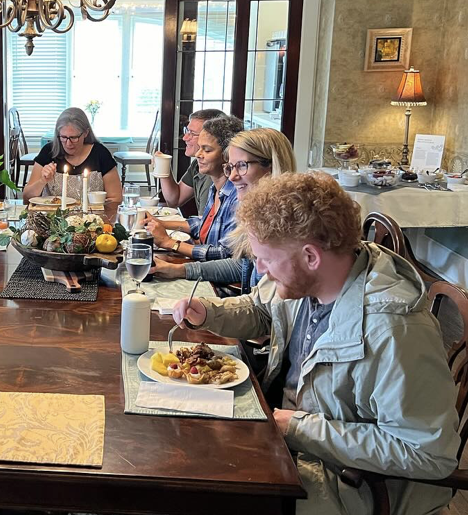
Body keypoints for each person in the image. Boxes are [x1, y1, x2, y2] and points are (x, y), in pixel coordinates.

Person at [168, 172, 459, 515]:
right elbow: (263, 311)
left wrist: (298, 428)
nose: (260, 269)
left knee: (188, 490)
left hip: (346, 482)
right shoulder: (312, 279)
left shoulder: (393, 328)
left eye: (267, 259)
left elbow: (427, 453)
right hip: (287, 435)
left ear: (310, 256)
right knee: (178, 444)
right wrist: (208, 313)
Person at [153, 128, 296, 290]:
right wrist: (179, 269)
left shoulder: (287, 225)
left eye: (242, 166)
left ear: (271, 166)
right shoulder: (258, 213)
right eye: (231, 167)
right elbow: (243, 267)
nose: (233, 176)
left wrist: (172, 245)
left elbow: (267, 310)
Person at [144, 114, 244, 261]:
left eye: (207, 150)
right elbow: (203, 223)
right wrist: (161, 223)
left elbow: (225, 254)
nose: (198, 154)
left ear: (227, 155)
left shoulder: (237, 196)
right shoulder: (216, 188)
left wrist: (170, 243)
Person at [23, 107, 123, 204]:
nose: (68, 143)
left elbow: (116, 198)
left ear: (86, 133)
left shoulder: (100, 154)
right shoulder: (49, 151)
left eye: (74, 137)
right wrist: (42, 181)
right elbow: (27, 197)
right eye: (63, 137)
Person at [157, 108, 225, 214]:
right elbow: (175, 199)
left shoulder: (214, 173)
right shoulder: (197, 164)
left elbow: (205, 226)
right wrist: (163, 166)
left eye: (192, 133)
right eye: (187, 131)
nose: (185, 137)